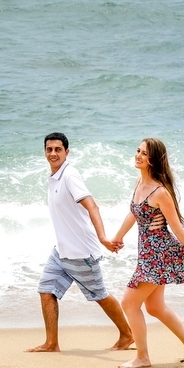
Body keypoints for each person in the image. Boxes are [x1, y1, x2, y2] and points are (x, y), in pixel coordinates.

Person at [111, 138, 184, 368]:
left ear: (154, 160)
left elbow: (177, 228)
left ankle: (142, 357)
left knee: (129, 303)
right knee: (155, 307)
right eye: (138, 150)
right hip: (147, 254)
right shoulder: (139, 183)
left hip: (158, 255)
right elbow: (134, 213)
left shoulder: (160, 192)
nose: (138, 155)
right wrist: (118, 237)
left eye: (144, 153)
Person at [28, 133, 133, 352]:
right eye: (49, 149)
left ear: (67, 152)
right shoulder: (55, 176)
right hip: (61, 251)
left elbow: (92, 206)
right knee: (46, 290)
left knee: (100, 295)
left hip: (81, 252)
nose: (53, 153)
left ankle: (127, 335)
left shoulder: (69, 175)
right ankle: (51, 343)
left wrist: (103, 238)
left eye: (58, 149)